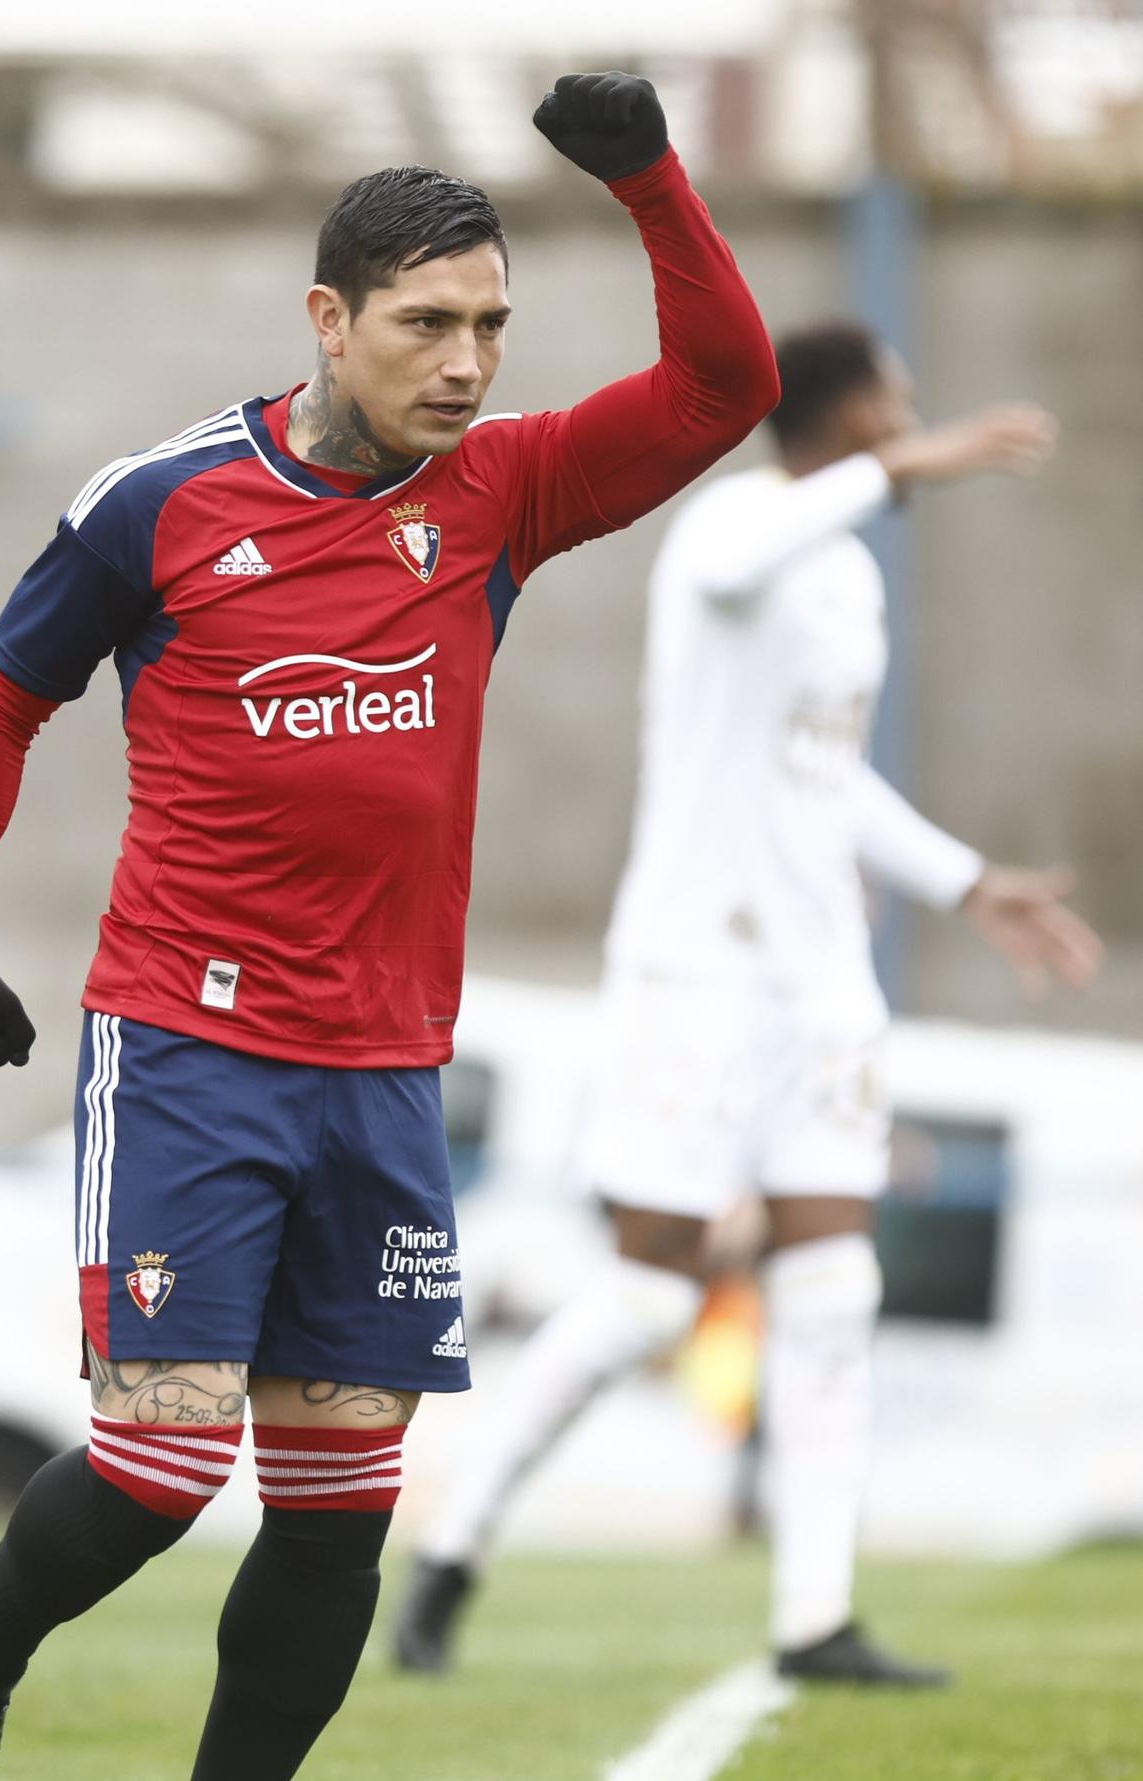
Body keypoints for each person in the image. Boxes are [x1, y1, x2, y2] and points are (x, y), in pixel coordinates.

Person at [0, 73, 778, 1781]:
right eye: (426, 324)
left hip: (384, 1071)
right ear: (327, 318)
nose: (466, 365)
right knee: (162, 1464)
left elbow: (726, 388)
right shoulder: (159, 504)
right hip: (188, 1048)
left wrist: (646, 178)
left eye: (491, 328)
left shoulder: (503, 492)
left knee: (338, 1515)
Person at [396, 321, 1102, 1689]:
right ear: (846, 414)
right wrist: (911, 471)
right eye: (898, 402)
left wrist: (969, 884)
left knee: (834, 1287)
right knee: (649, 1300)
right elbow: (739, 561)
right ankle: (456, 1543)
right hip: (696, 974)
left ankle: (814, 1618)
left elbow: (824, 776)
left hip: (817, 983)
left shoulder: (846, 575)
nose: (912, 421)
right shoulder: (731, 531)